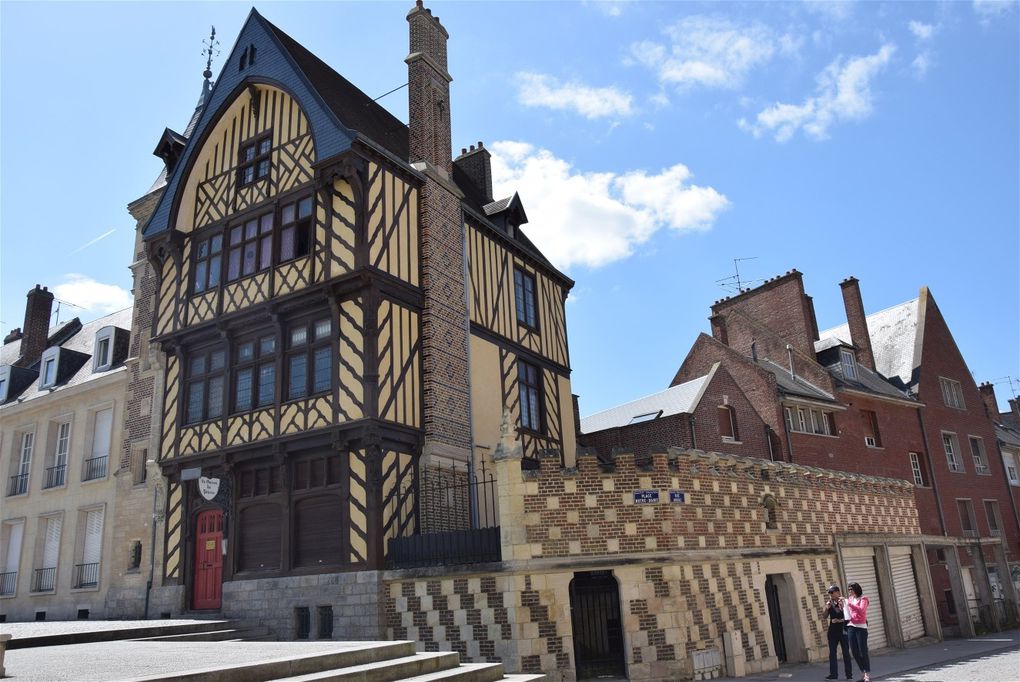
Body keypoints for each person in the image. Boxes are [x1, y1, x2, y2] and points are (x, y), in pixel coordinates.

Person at [822, 584, 852, 680]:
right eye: (829, 593)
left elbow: (849, 617)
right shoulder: (830, 603)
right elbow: (824, 616)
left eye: (832, 592)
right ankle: (833, 675)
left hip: (843, 631)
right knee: (832, 654)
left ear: (837, 592)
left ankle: (849, 675)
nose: (830, 594)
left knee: (846, 653)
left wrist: (839, 620)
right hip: (833, 632)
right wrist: (826, 608)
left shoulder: (844, 602)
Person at [844, 582, 871, 682]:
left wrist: (849, 603)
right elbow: (847, 610)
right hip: (851, 626)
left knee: (863, 651)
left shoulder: (864, 599)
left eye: (851, 589)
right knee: (854, 652)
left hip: (861, 627)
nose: (850, 591)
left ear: (856, 589)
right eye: (849, 589)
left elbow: (861, 610)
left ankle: (867, 674)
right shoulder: (850, 599)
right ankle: (863, 673)